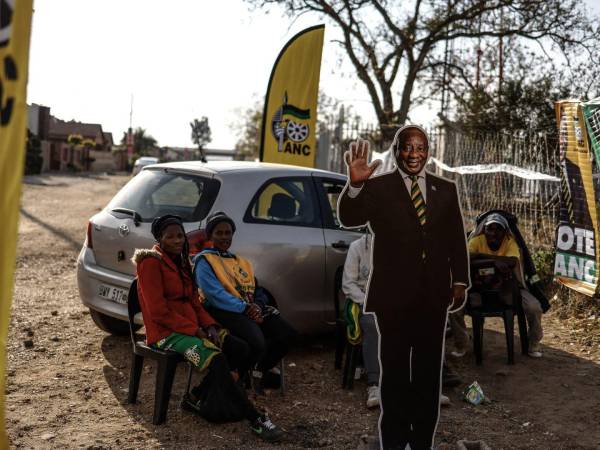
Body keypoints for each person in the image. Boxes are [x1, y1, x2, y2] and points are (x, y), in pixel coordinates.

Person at [338, 125, 470, 450]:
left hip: (433, 297)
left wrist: (460, 280)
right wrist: (354, 186)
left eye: (420, 147)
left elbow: (456, 239)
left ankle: (422, 443)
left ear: (428, 151)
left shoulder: (445, 189)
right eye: (407, 147)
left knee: (427, 377)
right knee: (395, 376)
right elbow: (348, 217)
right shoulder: (379, 187)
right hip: (392, 299)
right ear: (397, 151)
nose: (414, 154)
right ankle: (394, 444)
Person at [132, 214, 283, 442]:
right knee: (218, 360)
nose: (177, 241)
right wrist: (195, 330)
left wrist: (210, 325)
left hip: (193, 327)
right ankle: (255, 418)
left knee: (240, 349)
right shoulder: (150, 262)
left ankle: (196, 396)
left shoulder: (182, 262)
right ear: (159, 238)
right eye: (170, 236)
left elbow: (195, 302)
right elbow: (158, 313)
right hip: (166, 333)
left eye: (180, 236)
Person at [193, 211, 297, 391]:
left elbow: (257, 289)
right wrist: (246, 309)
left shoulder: (240, 262)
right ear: (210, 235)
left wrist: (257, 305)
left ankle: (258, 370)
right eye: (219, 233)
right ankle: (238, 378)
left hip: (248, 309)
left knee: (288, 334)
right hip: (223, 310)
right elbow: (214, 295)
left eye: (228, 233)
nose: (224, 237)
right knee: (257, 343)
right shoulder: (204, 261)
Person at [450, 213, 544, 358]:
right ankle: (461, 343)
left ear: (504, 232)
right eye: (490, 229)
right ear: (484, 230)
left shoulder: (510, 242)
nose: (494, 233)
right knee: (454, 307)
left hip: (510, 287)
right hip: (476, 286)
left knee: (534, 307)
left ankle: (534, 343)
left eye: (498, 229)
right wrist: (495, 261)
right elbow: (467, 258)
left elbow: (512, 261)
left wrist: (481, 258)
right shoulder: (476, 240)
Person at [341, 233, 381, 408]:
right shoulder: (357, 247)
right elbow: (348, 284)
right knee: (373, 325)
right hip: (364, 301)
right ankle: (375, 384)